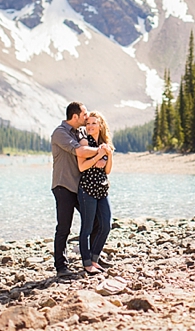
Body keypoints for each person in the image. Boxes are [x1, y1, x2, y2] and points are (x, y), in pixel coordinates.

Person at [50, 102, 100, 277]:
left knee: (95, 221)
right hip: (63, 186)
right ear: (75, 116)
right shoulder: (60, 133)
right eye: (84, 115)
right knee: (64, 227)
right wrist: (101, 151)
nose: (86, 118)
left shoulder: (80, 132)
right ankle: (61, 267)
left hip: (79, 187)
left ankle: (92, 259)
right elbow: (80, 152)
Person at [76, 110, 114, 274]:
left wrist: (108, 155)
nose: (90, 126)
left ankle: (95, 258)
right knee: (87, 228)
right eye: (88, 123)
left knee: (106, 225)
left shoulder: (104, 142)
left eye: (93, 123)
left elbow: (108, 170)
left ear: (100, 125)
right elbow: (82, 167)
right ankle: (87, 263)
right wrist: (98, 155)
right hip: (87, 189)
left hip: (102, 188)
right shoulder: (85, 141)